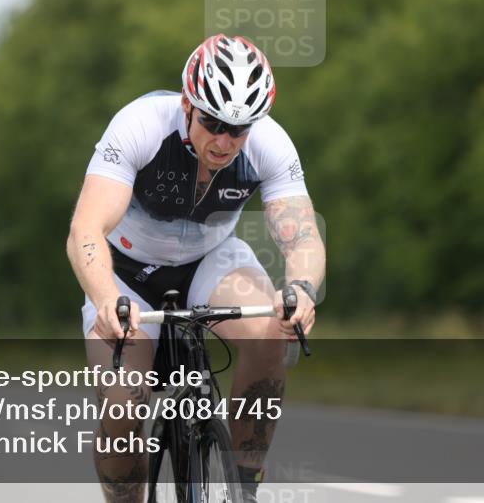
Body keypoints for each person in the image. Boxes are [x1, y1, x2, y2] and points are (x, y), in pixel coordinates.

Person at [67, 33, 325, 502]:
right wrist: (107, 299)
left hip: (211, 260)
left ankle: (244, 483)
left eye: (239, 129)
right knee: (124, 407)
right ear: (188, 104)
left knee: (271, 333)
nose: (225, 141)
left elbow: (302, 234)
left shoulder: (270, 143)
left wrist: (302, 288)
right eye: (213, 123)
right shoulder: (140, 124)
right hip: (126, 271)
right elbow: (85, 229)